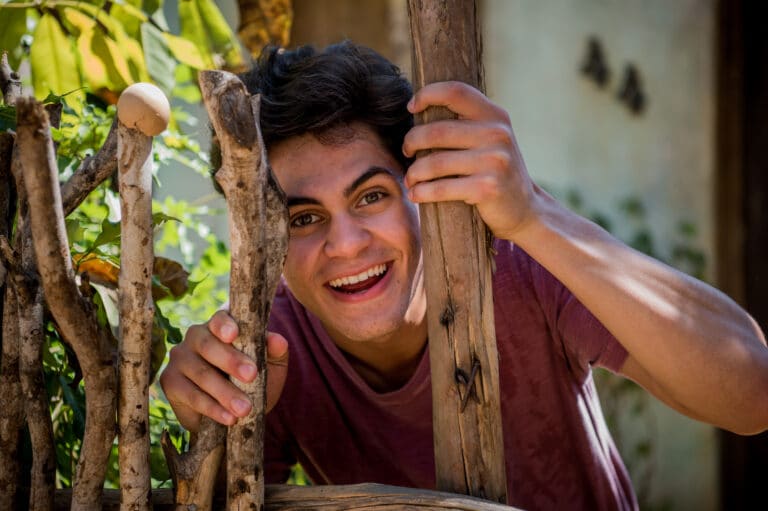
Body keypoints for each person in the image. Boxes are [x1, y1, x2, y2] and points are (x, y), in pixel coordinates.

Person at [159, 41, 768, 510]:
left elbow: (753, 394)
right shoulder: (270, 355)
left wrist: (535, 215)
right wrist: (212, 424)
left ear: (422, 190)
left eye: (371, 196)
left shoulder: (518, 262)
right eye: (303, 219)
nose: (345, 245)